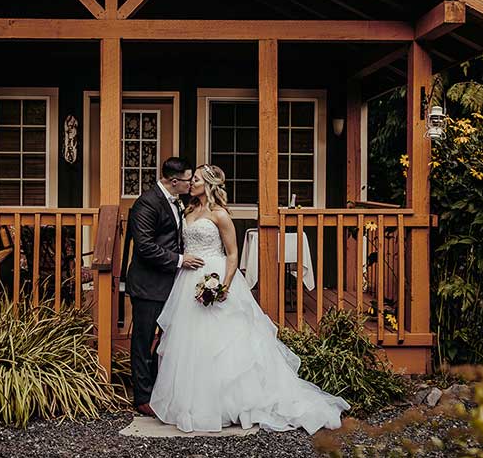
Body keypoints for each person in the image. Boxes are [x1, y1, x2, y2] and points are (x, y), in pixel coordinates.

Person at [149, 164, 350, 433]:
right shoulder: (188, 210)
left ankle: (233, 402)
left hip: (215, 276)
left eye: (195, 179)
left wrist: (223, 286)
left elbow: (232, 254)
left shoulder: (220, 215)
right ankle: (196, 403)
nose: (190, 183)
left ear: (207, 184)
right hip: (187, 280)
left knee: (225, 341)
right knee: (191, 341)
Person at [125, 157, 205, 417]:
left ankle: (161, 389)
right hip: (148, 285)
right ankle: (143, 397)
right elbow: (146, 246)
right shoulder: (146, 204)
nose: (190, 184)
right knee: (143, 340)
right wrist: (181, 261)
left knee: (169, 339)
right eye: (187, 180)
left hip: (170, 285)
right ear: (173, 181)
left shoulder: (177, 201)